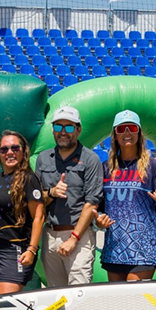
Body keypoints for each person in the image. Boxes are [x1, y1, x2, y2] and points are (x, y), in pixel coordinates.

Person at [96, 110, 156, 281]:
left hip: (144, 248)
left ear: (139, 133)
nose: (127, 133)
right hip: (114, 246)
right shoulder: (106, 167)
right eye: (121, 129)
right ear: (115, 135)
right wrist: (100, 221)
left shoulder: (154, 166)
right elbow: (100, 208)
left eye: (132, 128)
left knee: (133, 291)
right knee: (117, 295)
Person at [35, 105, 103, 286]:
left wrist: (74, 238)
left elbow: (91, 203)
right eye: (58, 126)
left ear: (78, 130)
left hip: (79, 236)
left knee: (79, 292)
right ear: (52, 130)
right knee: (56, 294)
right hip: (50, 235)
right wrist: (52, 193)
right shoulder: (43, 158)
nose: (63, 132)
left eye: (69, 127)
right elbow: (37, 199)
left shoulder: (90, 159)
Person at [0, 130, 47, 293]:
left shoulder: (29, 179)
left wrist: (32, 249)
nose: (9, 152)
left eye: (15, 148)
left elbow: (39, 216)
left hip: (16, 249)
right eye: (4, 149)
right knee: (1, 303)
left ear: (23, 151)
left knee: (7, 303)